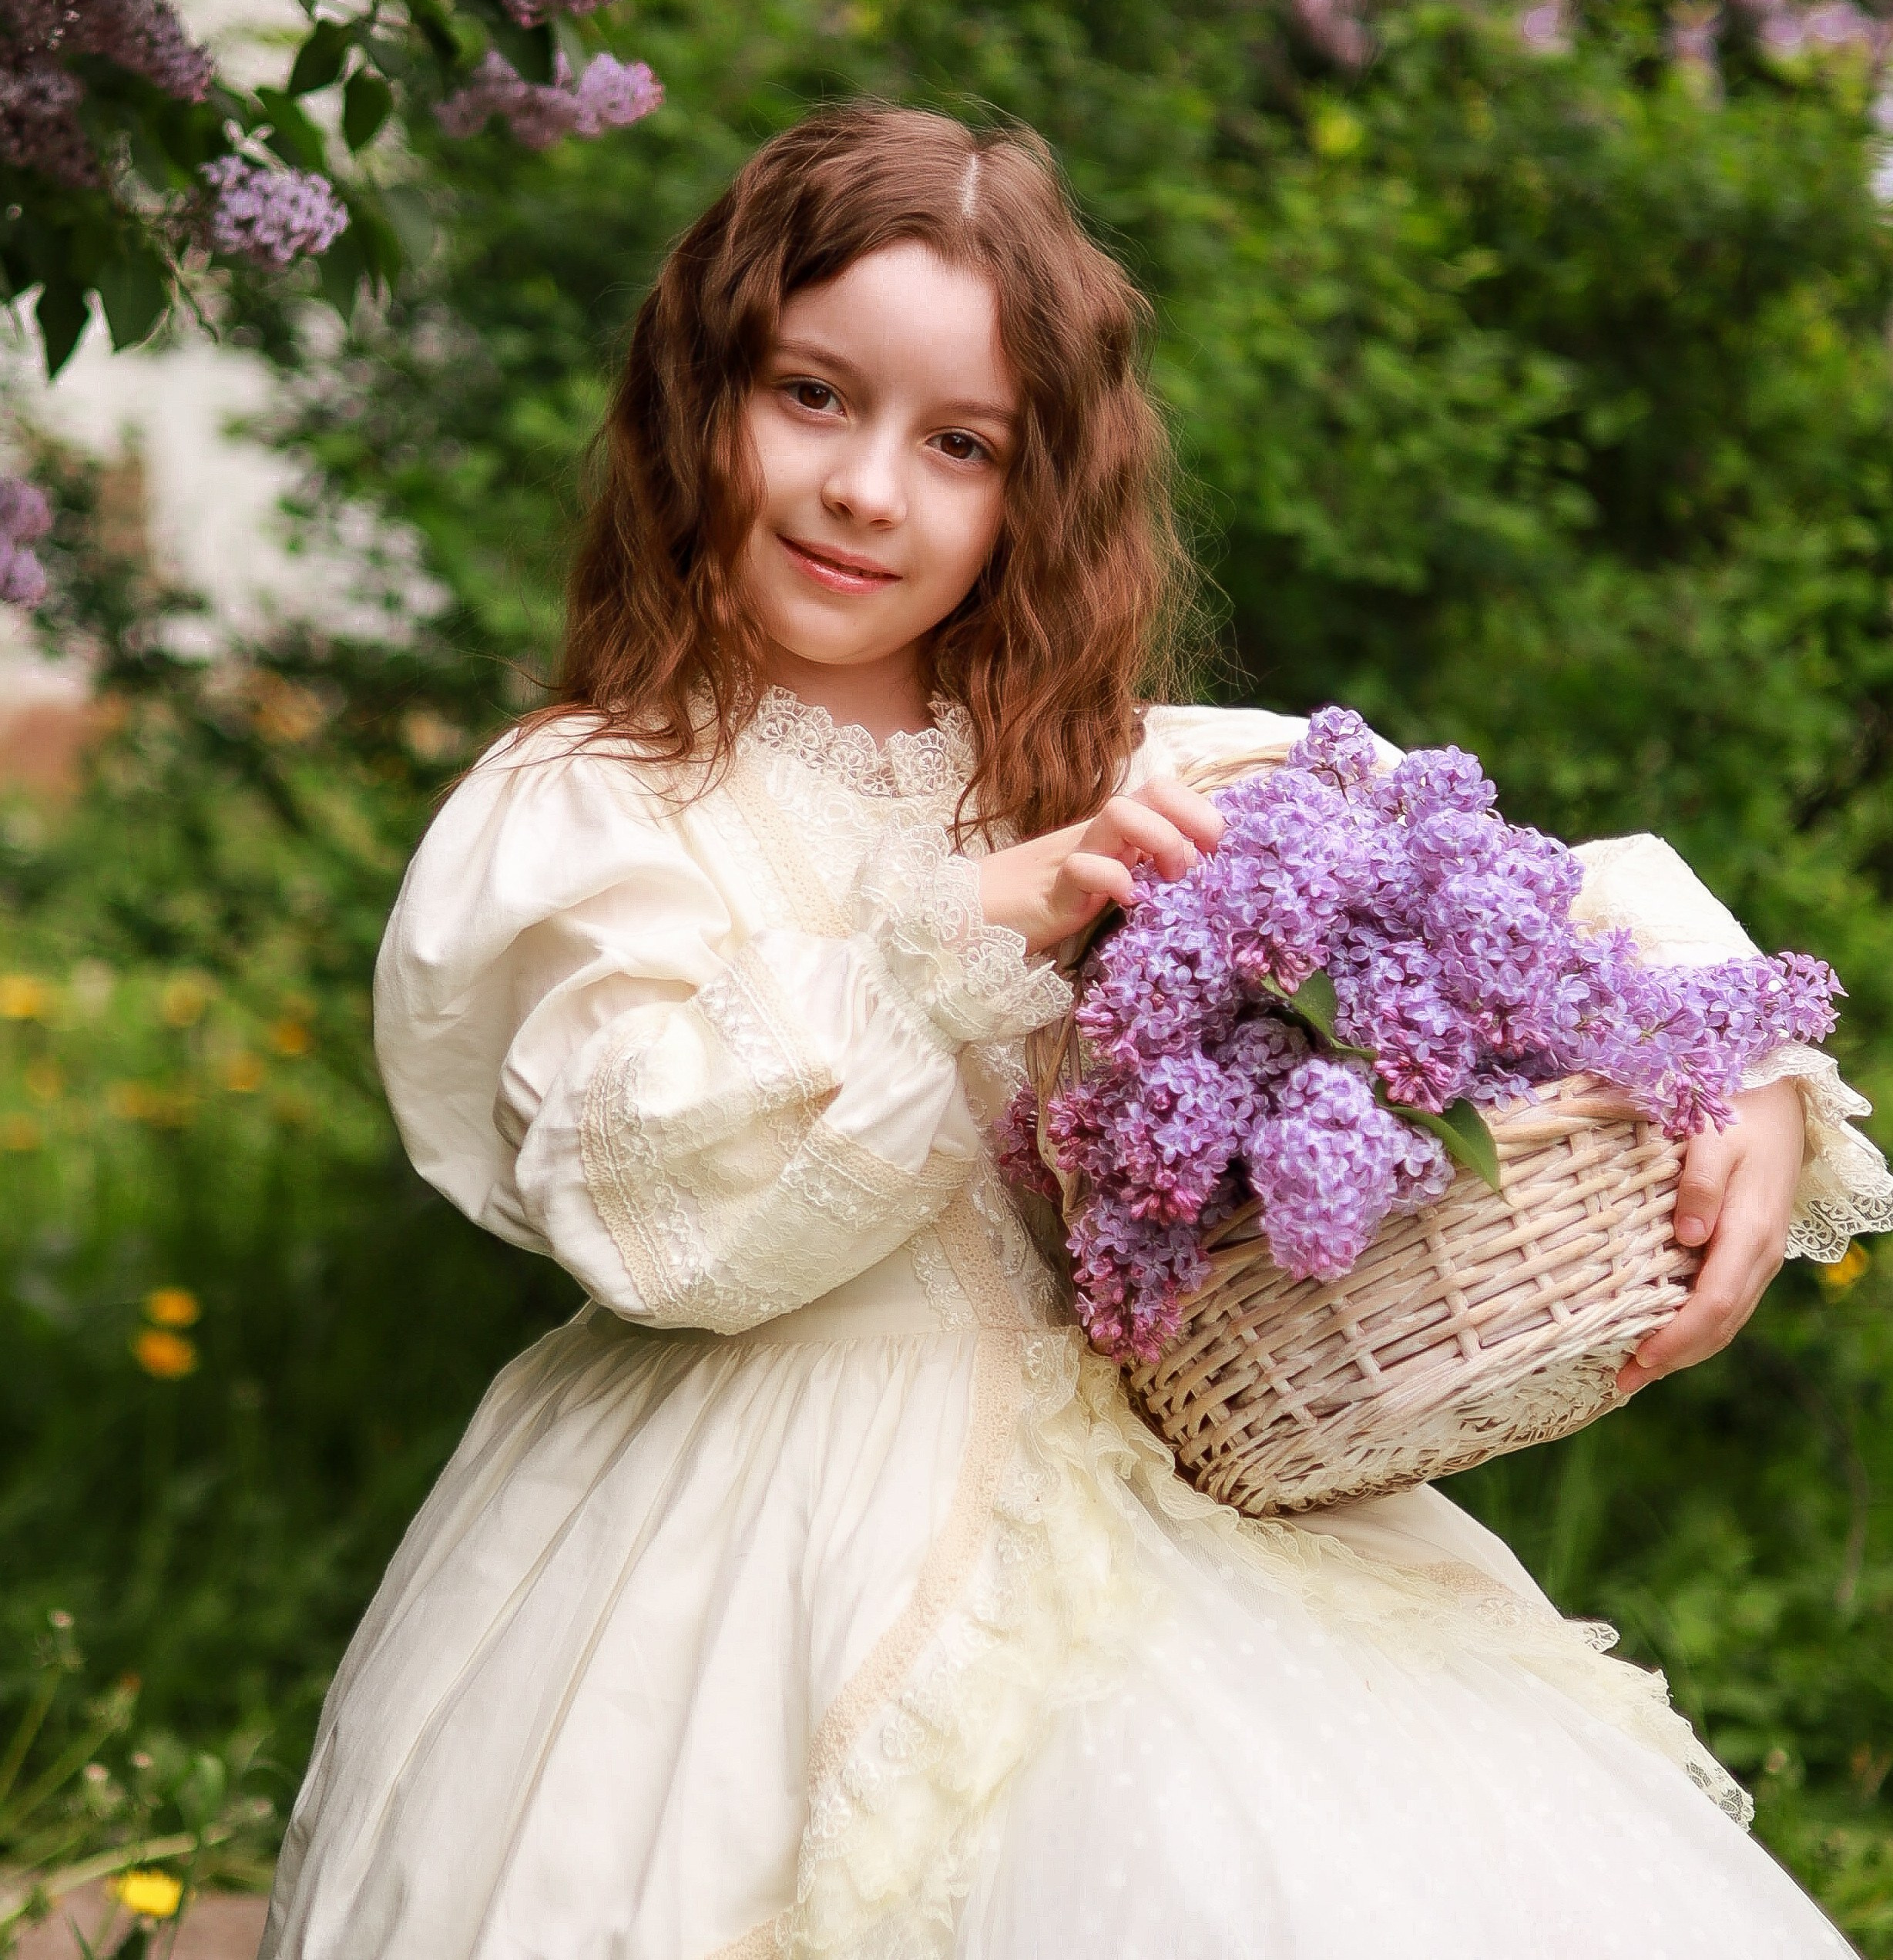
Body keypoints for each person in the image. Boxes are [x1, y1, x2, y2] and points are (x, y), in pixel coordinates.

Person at [261, 105, 1892, 1960]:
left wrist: (1738, 1069)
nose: (867, 488)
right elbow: (661, 1207)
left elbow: (1535, 892)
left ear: (1029, 498)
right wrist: (976, 915)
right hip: (740, 1531)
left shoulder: (1127, 776)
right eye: (810, 394)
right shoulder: (596, 805)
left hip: (1172, 1511)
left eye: (958, 445)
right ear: (693, 396)